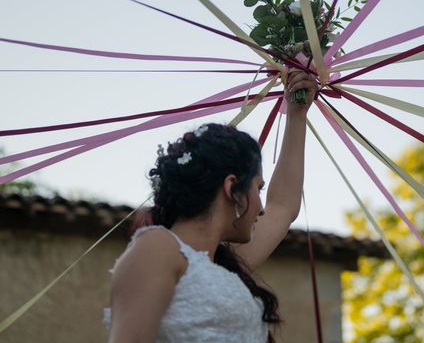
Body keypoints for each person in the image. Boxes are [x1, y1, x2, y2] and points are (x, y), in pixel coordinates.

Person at [104, 69, 318, 343]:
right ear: (232, 188)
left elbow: (282, 207)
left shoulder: (223, 263)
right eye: (257, 188)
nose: (261, 208)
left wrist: (297, 115)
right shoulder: (156, 247)